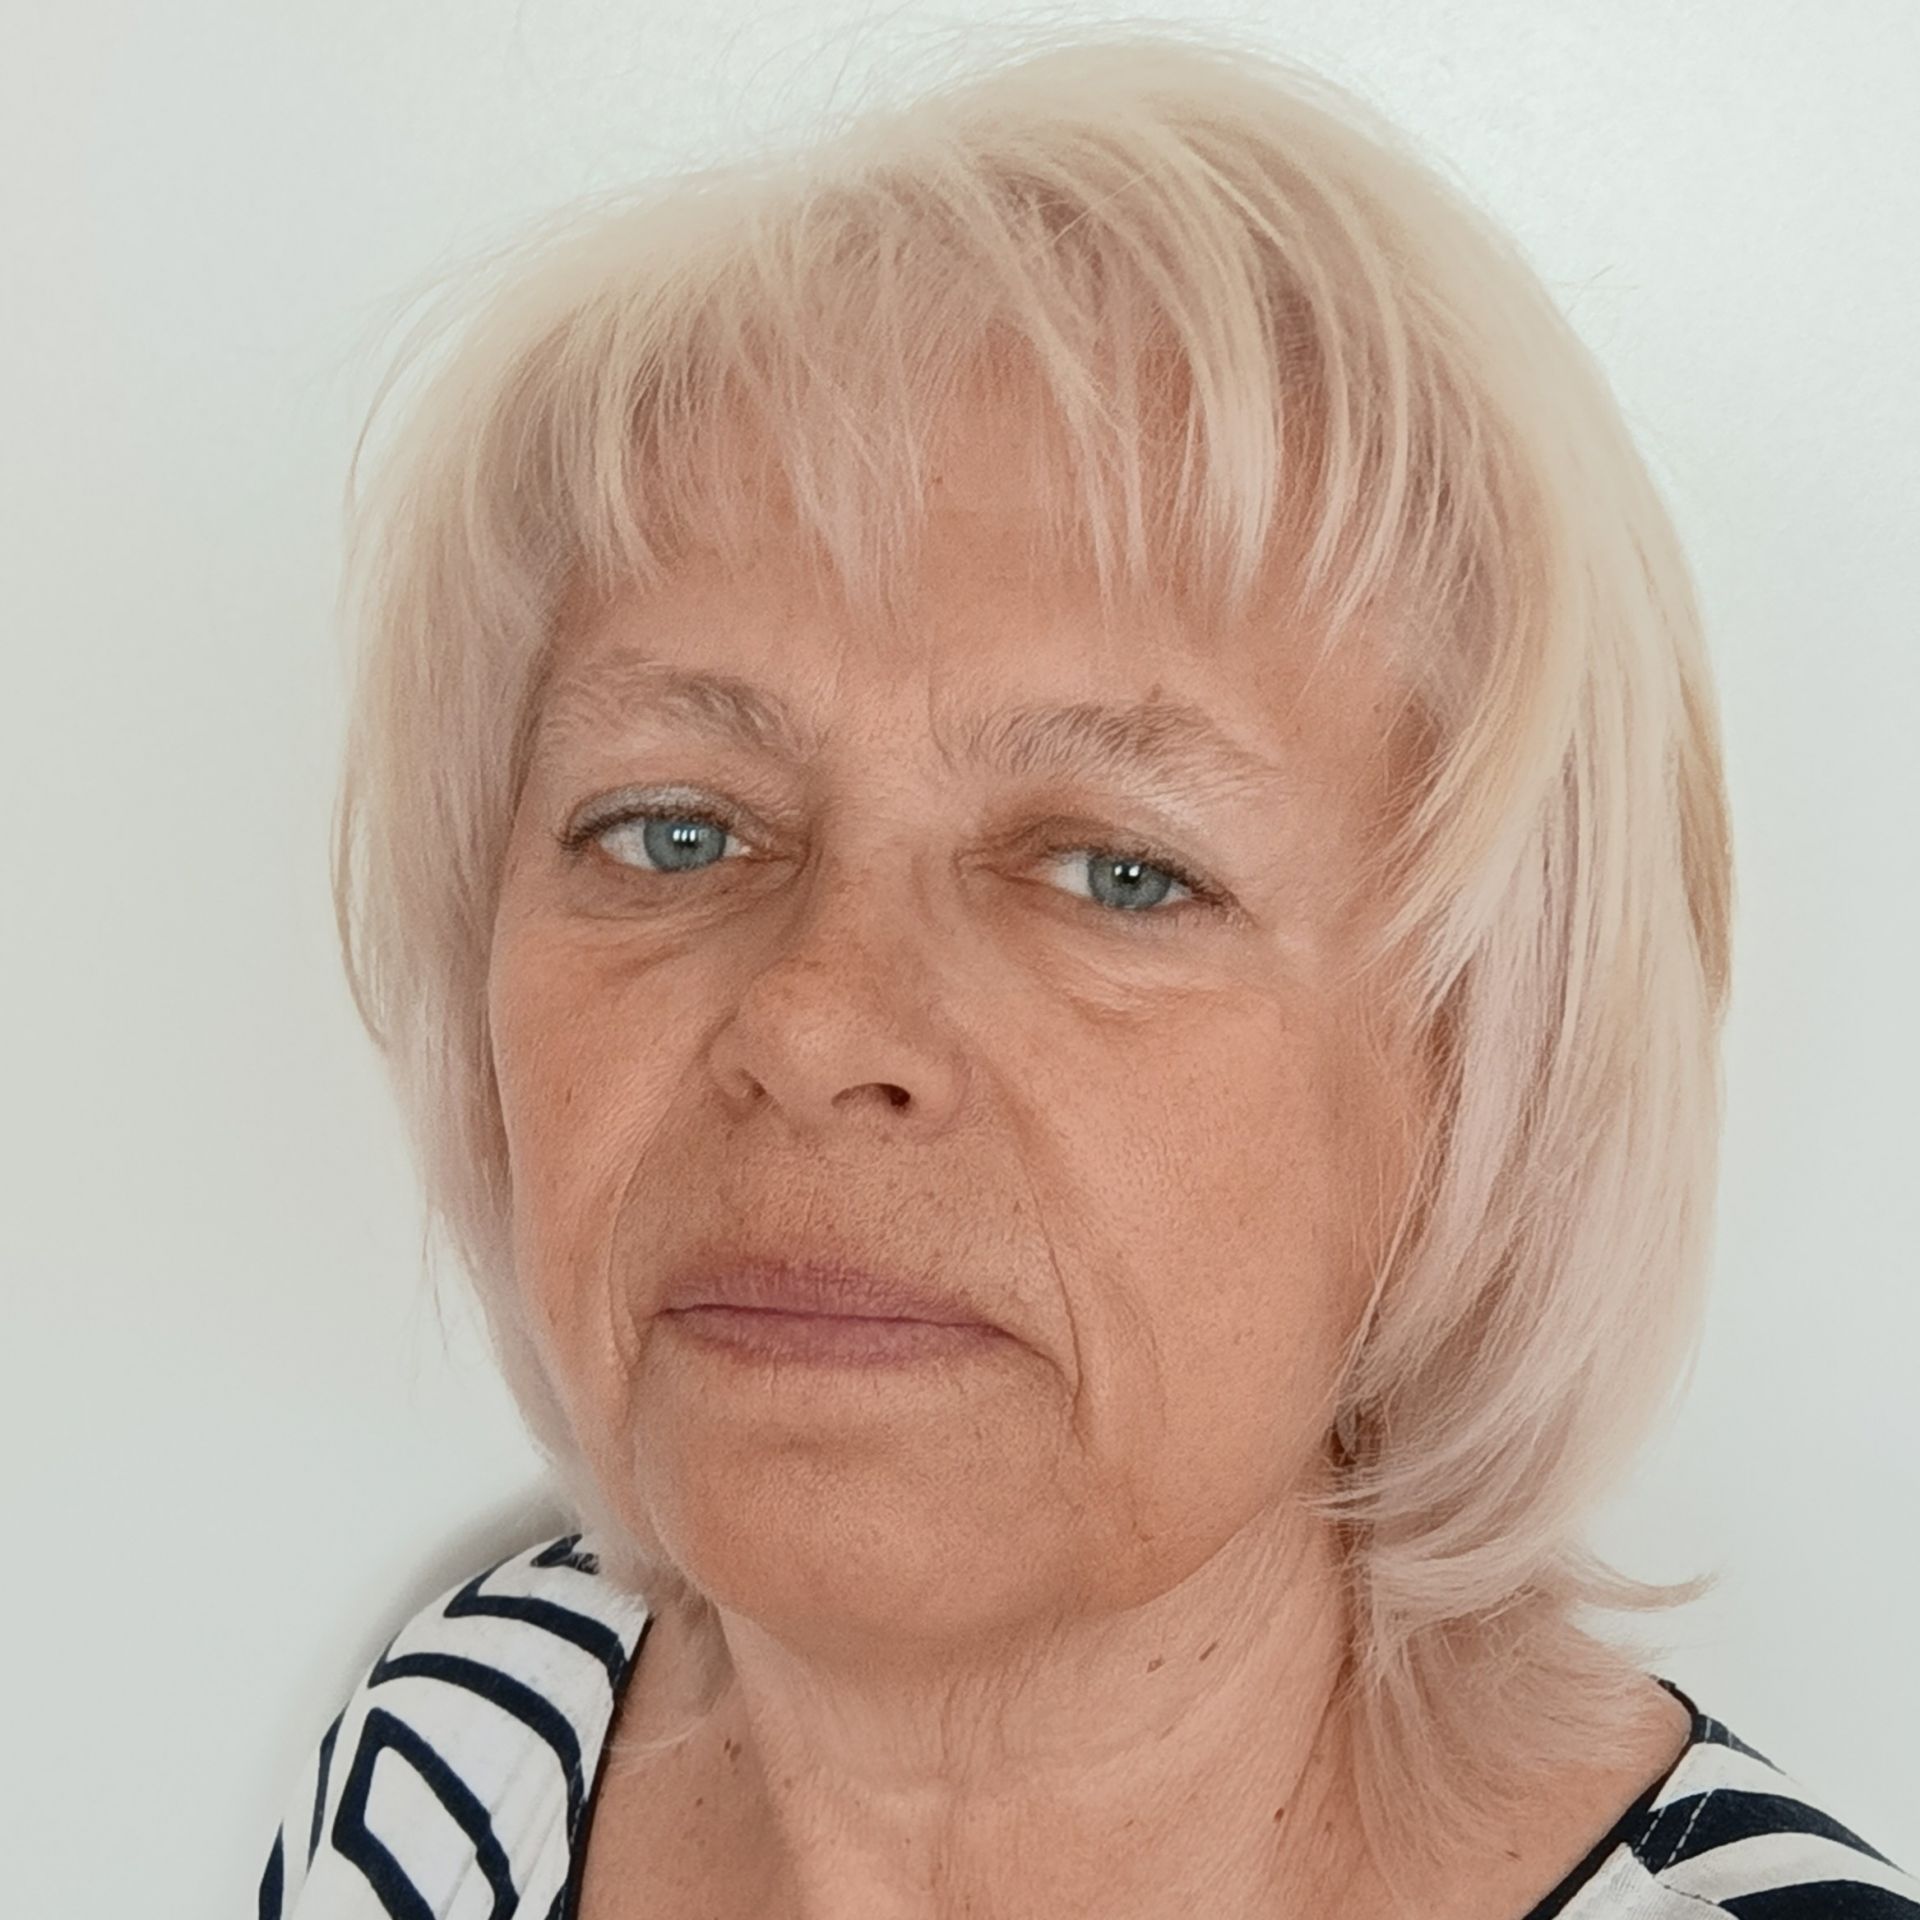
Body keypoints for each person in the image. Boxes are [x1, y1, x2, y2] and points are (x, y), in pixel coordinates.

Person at [259, 29, 1918, 1920]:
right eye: (675, 830)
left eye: (1120, 872)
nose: (811, 1019)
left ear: (1477, 1087)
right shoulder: (458, 1753)